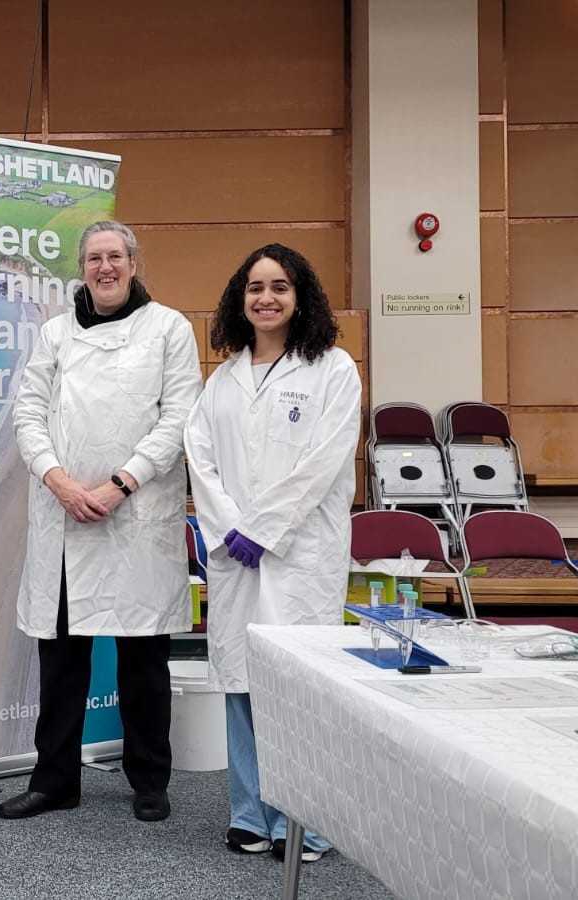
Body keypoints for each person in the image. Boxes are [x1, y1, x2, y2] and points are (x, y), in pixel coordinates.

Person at [5, 220, 202, 822]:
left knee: (143, 663)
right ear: (82, 268)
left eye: (115, 256)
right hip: (66, 517)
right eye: (94, 258)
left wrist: (120, 485)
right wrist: (59, 481)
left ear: (134, 262)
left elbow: (179, 419)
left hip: (135, 516)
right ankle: (55, 779)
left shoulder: (170, 328)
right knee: (62, 663)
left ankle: (149, 781)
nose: (105, 267)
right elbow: (28, 412)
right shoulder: (56, 333)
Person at [184, 243, 362, 864]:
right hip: (237, 557)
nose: (266, 297)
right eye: (255, 287)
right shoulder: (223, 378)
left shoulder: (333, 369)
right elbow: (199, 459)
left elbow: (325, 462)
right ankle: (248, 814)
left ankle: (306, 824)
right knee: (242, 685)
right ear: (241, 299)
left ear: (300, 296)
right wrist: (234, 529)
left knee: (301, 690)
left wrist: (264, 528)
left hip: (299, 556)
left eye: (279, 286)